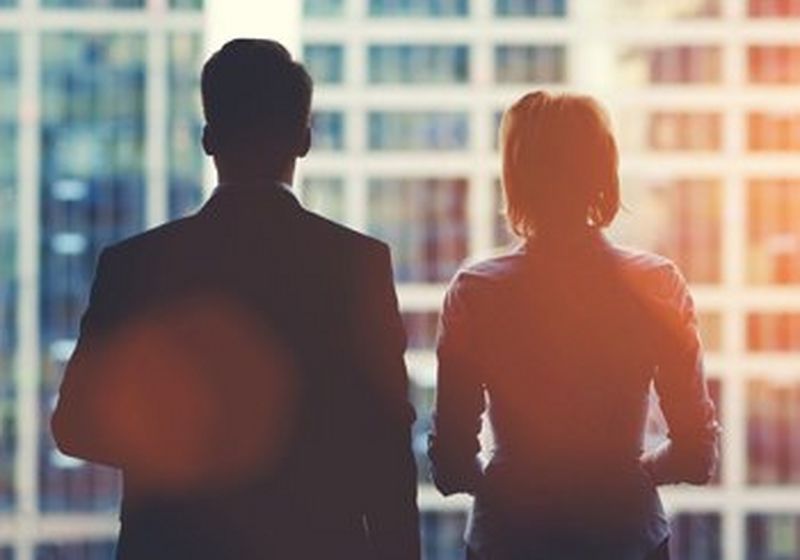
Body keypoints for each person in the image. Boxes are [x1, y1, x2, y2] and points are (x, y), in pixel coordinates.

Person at [51, 38, 420, 560]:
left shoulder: (133, 264)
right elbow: (384, 445)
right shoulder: (357, 264)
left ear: (208, 139)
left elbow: (76, 425)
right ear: (304, 139)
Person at [428, 91, 720, 560]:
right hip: (627, 537)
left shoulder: (476, 292)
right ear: (603, 171)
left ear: (516, 177)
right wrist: (630, 477)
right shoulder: (655, 285)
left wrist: (506, 483)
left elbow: (451, 467)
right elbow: (696, 454)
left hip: (508, 539)